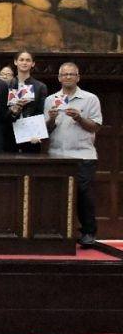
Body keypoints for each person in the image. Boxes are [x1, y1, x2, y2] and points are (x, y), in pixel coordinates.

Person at [44, 62, 102, 247]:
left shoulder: (90, 98)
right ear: (59, 78)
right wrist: (51, 119)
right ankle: (57, 231)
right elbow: (46, 130)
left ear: (78, 77)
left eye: (72, 74)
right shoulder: (51, 99)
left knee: (82, 193)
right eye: (65, 74)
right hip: (57, 155)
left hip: (83, 155)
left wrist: (79, 118)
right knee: (57, 195)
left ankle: (88, 232)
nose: (68, 77)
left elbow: (96, 126)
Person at [8, 49, 49, 153]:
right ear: (15, 62)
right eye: (21, 60)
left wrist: (37, 133)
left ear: (33, 63)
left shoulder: (40, 87)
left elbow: (41, 112)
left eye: (28, 60)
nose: (24, 62)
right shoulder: (6, 85)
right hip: (8, 135)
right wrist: (14, 110)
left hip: (31, 136)